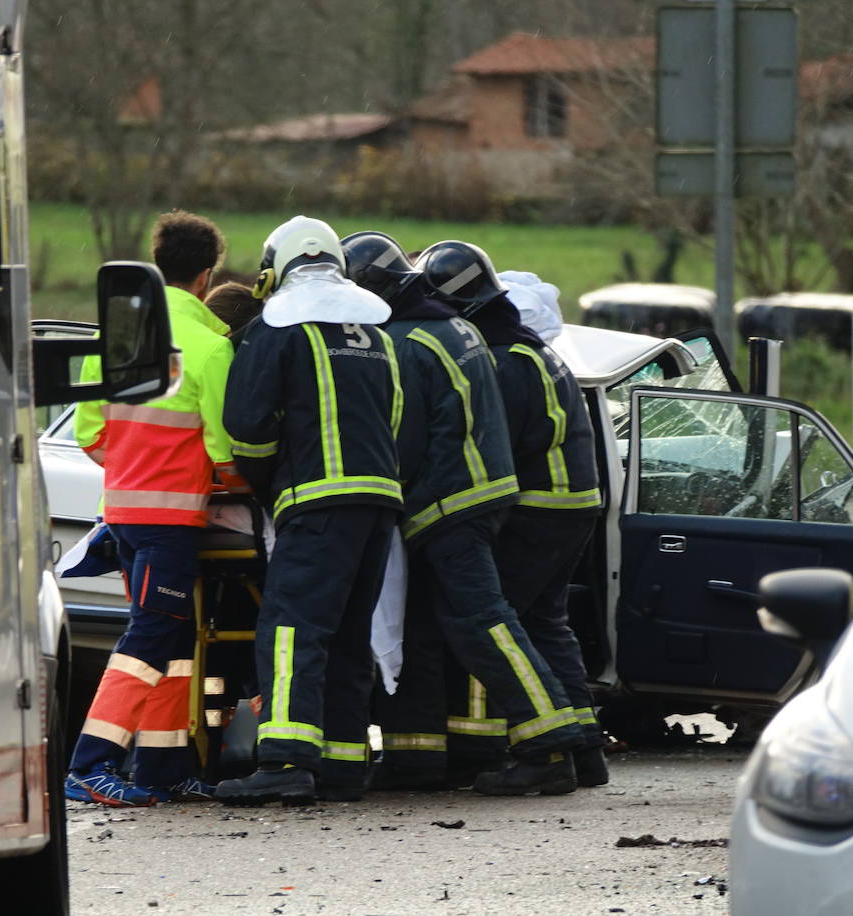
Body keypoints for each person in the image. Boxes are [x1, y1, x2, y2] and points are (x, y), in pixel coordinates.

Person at [343, 231, 585, 796]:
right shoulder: (456, 328)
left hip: (449, 501)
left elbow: (402, 437)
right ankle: (417, 757)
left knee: (482, 623)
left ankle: (551, 745)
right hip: (477, 495)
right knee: (429, 627)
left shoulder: (406, 343)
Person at [215, 216, 403, 805]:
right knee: (347, 631)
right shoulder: (374, 333)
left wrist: (269, 485)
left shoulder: (274, 328)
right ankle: (343, 764)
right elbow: (396, 415)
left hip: (316, 501)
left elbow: (247, 429)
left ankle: (285, 759)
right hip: (379, 502)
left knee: (291, 626)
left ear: (274, 270)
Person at [64, 210, 247, 807]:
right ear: (206, 277)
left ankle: (162, 769)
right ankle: (90, 764)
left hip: (122, 514)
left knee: (174, 639)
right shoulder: (212, 348)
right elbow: (225, 453)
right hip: (171, 522)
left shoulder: (118, 339)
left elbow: (90, 435)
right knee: (150, 635)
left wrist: (134, 468)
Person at [419, 240, 609, 789]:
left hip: (535, 507)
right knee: (545, 623)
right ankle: (585, 750)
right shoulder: (530, 348)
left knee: (487, 623)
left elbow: (491, 446)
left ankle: (513, 751)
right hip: (572, 506)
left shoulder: (499, 362)